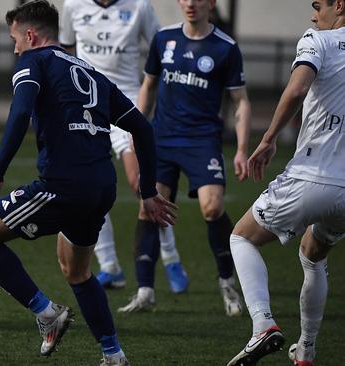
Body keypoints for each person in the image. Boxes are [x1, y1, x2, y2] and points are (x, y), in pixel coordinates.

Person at [0, 1, 176, 364]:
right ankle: (113, 354)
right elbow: (142, 127)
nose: (14, 48)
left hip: (63, 185)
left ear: (30, 35)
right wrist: (148, 191)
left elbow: (19, 115)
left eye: (15, 38)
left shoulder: (34, 60)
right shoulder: (92, 71)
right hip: (101, 186)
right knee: (76, 270)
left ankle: (46, 313)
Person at [227, 1, 345, 365]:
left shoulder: (318, 40)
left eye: (318, 5)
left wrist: (268, 139)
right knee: (312, 256)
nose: (313, 15)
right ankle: (306, 350)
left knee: (242, 237)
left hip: (312, 176)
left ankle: (262, 324)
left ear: (339, 5)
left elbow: (296, 89)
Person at [119, 0, 251, 315]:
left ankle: (228, 283)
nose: (191, 3)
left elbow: (241, 101)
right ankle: (145, 292)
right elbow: (148, 86)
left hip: (202, 141)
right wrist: (137, 132)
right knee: (148, 209)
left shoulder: (225, 47)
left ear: (211, 4)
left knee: (212, 206)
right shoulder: (164, 39)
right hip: (161, 139)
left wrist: (243, 148)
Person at [59, 0, 189, 294]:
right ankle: (110, 267)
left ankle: (170, 257)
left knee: (140, 182)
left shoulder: (139, 6)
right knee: (88, 184)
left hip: (125, 103)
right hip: (87, 106)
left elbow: (161, 51)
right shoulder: (73, 6)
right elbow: (65, 52)